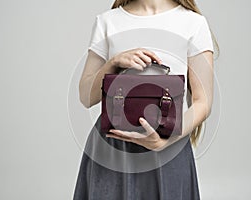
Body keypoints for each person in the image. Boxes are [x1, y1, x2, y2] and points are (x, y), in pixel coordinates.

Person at [73, 0, 219, 199]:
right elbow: (85, 96)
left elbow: (204, 101)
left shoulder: (193, 23)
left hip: (169, 146)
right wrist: (113, 63)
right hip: (113, 148)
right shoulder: (107, 21)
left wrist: (165, 141)